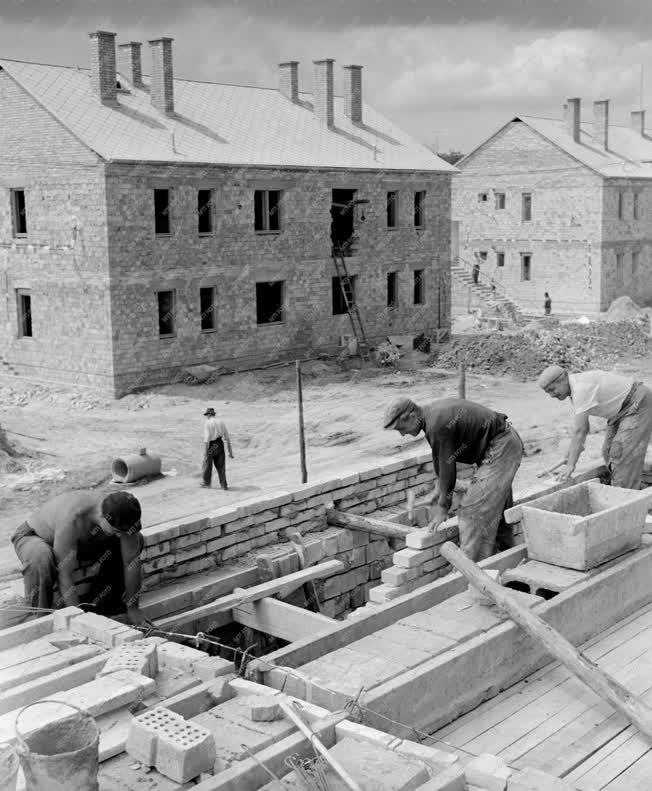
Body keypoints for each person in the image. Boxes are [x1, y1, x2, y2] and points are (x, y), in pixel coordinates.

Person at [384, 397, 524, 562]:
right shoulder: (432, 416)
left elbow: (447, 467)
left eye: (401, 428)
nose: (402, 434)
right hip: (503, 444)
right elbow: (442, 462)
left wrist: (443, 508)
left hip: (501, 447)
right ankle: (506, 560)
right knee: (495, 511)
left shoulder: (436, 424)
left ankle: (473, 573)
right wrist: (440, 489)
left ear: (412, 416)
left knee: (473, 511)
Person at [11, 491, 144, 623]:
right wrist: (78, 620)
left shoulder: (123, 512)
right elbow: (64, 573)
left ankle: (103, 608)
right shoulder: (73, 517)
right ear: (102, 517)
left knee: (136, 541)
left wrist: (133, 609)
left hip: (79, 541)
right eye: (117, 531)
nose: (122, 535)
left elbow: (131, 561)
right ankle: (39, 620)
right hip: (35, 536)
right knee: (41, 557)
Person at [537, 365, 652, 489]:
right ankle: (637, 481)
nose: (552, 395)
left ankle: (628, 495)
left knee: (620, 454)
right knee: (608, 450)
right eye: (548, 392)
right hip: (620, 411)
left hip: (637, 402)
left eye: (552, 389)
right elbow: (579, 434)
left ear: (563, 378)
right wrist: (571, 454)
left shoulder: (581, 388)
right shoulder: (575, 388)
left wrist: (571, 465)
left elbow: (581, 430)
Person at [201, 407, 233, 489]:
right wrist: (230, 452)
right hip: (220, 444)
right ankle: (224, 485)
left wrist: (206, 451)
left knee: (207, 464)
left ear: (209, 414)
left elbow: (207, 438)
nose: (206, 416)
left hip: (212, 445)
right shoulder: (221, 422)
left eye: (207, 415)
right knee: (221, 466)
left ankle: (206, 483)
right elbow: (227, 437)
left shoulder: (208, 423)